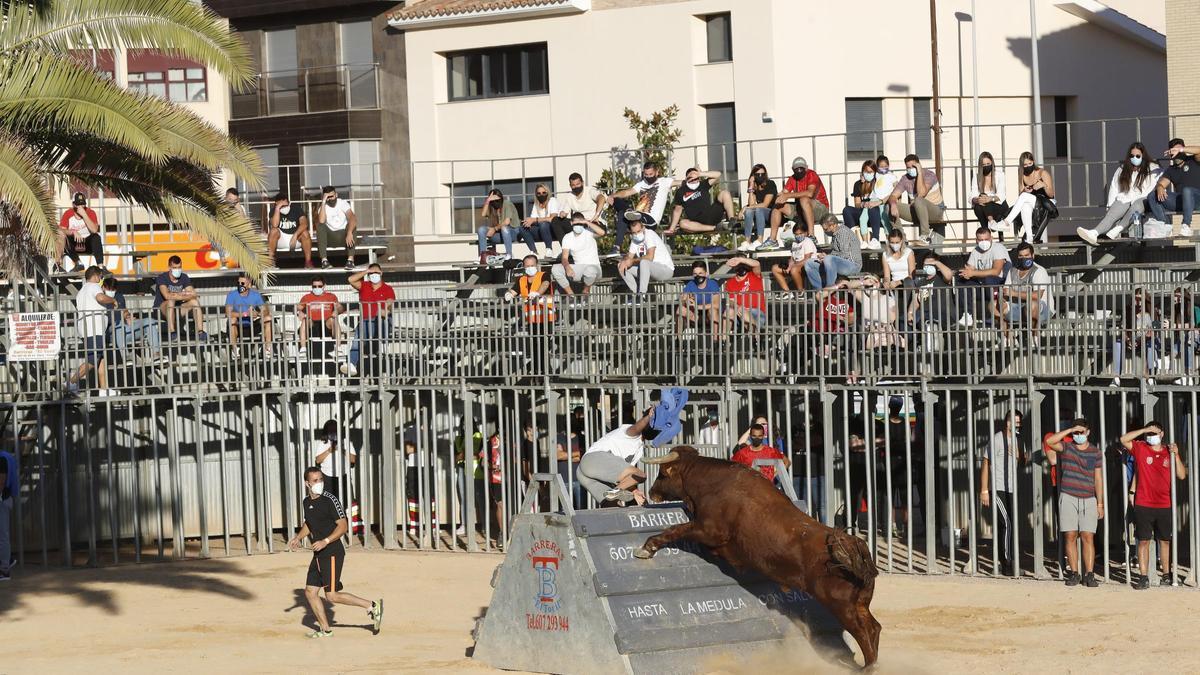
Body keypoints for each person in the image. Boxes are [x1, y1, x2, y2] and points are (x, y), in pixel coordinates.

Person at [288, 466, 383, 638]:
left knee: (331, 596)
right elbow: (309, 524)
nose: (319, 483)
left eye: (321, 479)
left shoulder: (330, 500)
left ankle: (372, 605)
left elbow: (343, 526)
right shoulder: (306, 502)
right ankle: (325, 630)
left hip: (332, 551)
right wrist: (297, 538)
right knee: (310, 592)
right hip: (318, 554)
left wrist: (325, 541)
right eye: (315, 481)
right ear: (307, 483)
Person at [1120, 422, 1188, 589]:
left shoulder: (1169, 451)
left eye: (1154, 433)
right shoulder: (1141, 448)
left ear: (1162, 434)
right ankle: (1143, 577)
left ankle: (1166, 574)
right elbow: (1123, 439)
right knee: (1143, 541)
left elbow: (1181, 475)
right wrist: (1144, 430)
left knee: (1165, 540)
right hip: (1143, 503)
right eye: (1149, 434)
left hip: (1165, 504)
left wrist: (1177, 455)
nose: (1151, 437)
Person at [1044, 419, 1103, 588]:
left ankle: (1089, 574)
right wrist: (1070, 429)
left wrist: (1100, 503)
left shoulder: (1096, 452)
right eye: (1076, 433)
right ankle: (1074, 573)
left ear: (1088, 432)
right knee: (1069, 535)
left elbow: (1098, 478)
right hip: (1068, 496)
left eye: (1081, 432)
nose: (1078, 436)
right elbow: (1050, 442)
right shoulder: (1067, 448)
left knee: (1087, 536)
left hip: (1089, 498)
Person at [1078, 142, 1161, 246]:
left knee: (1137, 205)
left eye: (1138, 156)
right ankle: (1094, 233)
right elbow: (1114, 187)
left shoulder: (1152, 168)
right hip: (1126, 198)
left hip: (1144, 200)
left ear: (1143, 156)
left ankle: (1118, 228)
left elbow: (1157, 182)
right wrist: (1110, 205)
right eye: (1132, 156)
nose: (1134, 158)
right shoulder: (1122, 169)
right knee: (1114, 210)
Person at [980, 411, 1027, 576]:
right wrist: (984, 490)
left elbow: (1023, 462)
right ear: (1007, 422)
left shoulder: (1018, 439)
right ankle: (1008, 562)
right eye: (1014, 422)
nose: (1017, 425)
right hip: (998, 488)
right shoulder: (996, 438)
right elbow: (986, 463)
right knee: (1007, 523)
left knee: (1007, 525)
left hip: (1012, 488)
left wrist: (1020, 455)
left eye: (1019, 422)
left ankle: (1005, 562)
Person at [577, 408, 655, 506]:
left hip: (585, 474)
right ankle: (613, 494)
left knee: (611, 505)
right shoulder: (631, 432)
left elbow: (627, 477)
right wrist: (649, 417)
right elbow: (636, 428)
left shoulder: (639, 449)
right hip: (594, 460)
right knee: (640, 475)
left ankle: (612, 496)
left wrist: (635, 491)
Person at [66, 266, 117, 396]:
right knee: (93, 360)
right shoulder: (94, 287)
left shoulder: (82, 291)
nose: (101, 279)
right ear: (95, 276)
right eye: (100, 277)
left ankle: (104, 389)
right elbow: (100, 298)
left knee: (101, 359)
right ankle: (71, 382)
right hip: (94, 329)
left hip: (88, 329)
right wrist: (112, 300)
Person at [605, 162, 675, 253]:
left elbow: (684, 182)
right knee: (618, 203)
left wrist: (699, 175)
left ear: (657, 172)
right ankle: (617, 247)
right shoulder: (642, 184)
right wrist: (612, 196)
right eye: (646, 175)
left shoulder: (664, 181)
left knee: (625, 214)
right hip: (637, 218)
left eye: (651, 174)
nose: (649, 177)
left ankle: (630, 213)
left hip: (651, 221)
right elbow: (626, 192)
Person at [765, 156, 829, 250]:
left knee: (804, 199)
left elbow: (810, 193)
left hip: (820, 208)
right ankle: (772, 240)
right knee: (778, 206)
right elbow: (784, 192)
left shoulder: (811, 174)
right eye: (796, 169)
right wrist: (779, 196)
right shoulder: (792, 179)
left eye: (801, 168)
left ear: (806, 168)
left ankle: (812, 236)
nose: (799, 170)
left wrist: (787, 196)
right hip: (801, 207)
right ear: (793, 169)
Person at [342, 264, 394, 377]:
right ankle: (351, 363)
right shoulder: (364, 285)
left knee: (362, 331)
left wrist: (384, 309)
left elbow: (390, 303)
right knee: (359, 334)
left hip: (381, 323)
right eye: (371, 273)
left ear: (381, 273)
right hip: (366, 322)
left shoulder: (388, 288)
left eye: (377, 273)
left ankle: (353, 363)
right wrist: (366, 271)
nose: (374, 275)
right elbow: (350, 279)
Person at [998, 242, 1055, 345]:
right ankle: (1008, 338)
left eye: (1026, 255)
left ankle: (1034, 337)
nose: (1024, 258)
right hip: (1019, 308)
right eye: (1021, 256)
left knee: (1031, 304)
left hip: (1042, 309)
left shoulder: (1039, 271)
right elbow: (1006, 292)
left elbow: (1037, 295)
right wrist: (1002, 299)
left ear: (1032, 255)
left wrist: (1014, 293)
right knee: (994, 304)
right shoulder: (1013, 271)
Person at [955, 227, 1010, 328]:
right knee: (961, 279)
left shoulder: (998, 248)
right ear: (976, 240)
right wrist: (966, 273)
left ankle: (995, 311)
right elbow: (970, 269)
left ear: (991, 238)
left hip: (999, 284)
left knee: (989, 279)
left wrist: (972, 273)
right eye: (980, 240)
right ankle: (968, 314)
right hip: (983, 286)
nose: (984, 242)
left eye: (986, 239)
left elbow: (996, 271)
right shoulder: (975, 251)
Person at [1147, 137, 1200, 237]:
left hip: (1197, 199)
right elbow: (1162, 183)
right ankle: (1166, 227)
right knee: (1152, 196)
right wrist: (1160, 187)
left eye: (1179, 150)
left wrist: (1181, 149)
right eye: (1174, 151)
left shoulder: (1194, 160)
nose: (1177, 153)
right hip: (1182, 202)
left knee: (1187, 190)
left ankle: (1186, 226)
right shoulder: (1171, 170)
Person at [104, 275, 163, 365]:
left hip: (126, 330)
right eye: (109, 289)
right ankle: (126, 356)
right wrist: (121, 318)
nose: (111, 292)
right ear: (103, 287)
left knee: (149, 321)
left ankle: (156, 354)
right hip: (112, 332)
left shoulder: (119, 296)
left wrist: (128, 316)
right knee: (119, 325)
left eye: (113, 289)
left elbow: (124, 311)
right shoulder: (100, 299)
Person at [888, 154, 946, 244]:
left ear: (919, 165)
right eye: (908, 167)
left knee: (918, 200)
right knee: (888, 206)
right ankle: (901, 238)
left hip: (936, 211)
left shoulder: (929, 175)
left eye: (913, 166)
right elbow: (893, 196)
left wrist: (919, 173)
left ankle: (925, 236)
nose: (910, 169)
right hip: (917, 211)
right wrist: (893, 205)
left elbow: (921, 193)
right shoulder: (905, 178)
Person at [999, 152, 1055, 243]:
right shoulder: (1022, 174)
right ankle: (1029, 237)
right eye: (1025, 165)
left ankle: (1006, 222)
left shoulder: (1042, 173)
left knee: (1025, 197)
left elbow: (1051, 194)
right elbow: (1020, 196)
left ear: (1033, 162)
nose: (1028, 166)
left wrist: (1043, 185)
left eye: (1030, 163)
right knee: (1025, 205)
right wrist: (1024, 190)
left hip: (1046, 204)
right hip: (1032, 204)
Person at [1110, 286, 1160, 387]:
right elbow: (1123, 328)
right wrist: (1128, 340)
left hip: (1147, 339)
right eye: (1135, 299)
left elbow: (1154, 331)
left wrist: (1141, 339)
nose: (1138, 302)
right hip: (1132, 338)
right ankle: (1116, 378)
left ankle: (1151, 377)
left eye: (1140, 299)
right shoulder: (1128, 309)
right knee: (1118, 343)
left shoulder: (1151, 310)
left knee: (1151, 345)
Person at [664, 167, 734, 235]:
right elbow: (677, 210)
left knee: (725, 193)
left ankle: (732, 221)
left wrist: (700, 173)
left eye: (696, 177)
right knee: (682, 223)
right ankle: (715, 228)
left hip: (711, 215)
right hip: (697, 223)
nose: (695, 179)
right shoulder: (681, 191)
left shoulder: (703, 184)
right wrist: (671, 229)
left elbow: (718, 174)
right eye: (692, 176)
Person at [617, 219, 674, 300]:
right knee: (621, 266)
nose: (636, 234)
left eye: (638, 231)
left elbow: (650, 257)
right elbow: (629, 256)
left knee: (644, 262)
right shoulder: (635, 239)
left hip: (665, 270)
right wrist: (624, 261)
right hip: (648, 271)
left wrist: (632, 261)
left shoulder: (650, 234)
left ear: (643, 228)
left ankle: (642, 295)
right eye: (634, 232)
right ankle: (634, 294)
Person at [154, 255, 207, 342]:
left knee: (194, 302)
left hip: (177, 309)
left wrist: (178, 295)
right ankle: (172, 332)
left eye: (179, 267)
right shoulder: (162, 278)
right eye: (175, 267)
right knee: (171, 301)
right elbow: (167, 296)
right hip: (161, 309)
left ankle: (200, 332)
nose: (177, 270)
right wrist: (183, 294)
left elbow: (193, 294)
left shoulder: (184, 277)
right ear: (169, 267)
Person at [803, 213, 862, 291]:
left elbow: (845, 255)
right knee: (809, 263)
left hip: (853, 265)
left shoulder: (843, 232)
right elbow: (836, 254)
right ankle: (820, 291)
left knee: (828, 259)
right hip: (840, 263)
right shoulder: (835, 234)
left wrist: (827, 257)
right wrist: (825, 256)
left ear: (833, 225)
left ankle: (829, 290)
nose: (824, 231)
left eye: (826, 229)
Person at [551, 214, 605, 296]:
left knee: (590, 271)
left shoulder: (589, 232)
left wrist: (586, 222)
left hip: (594, 267)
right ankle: (571, 295)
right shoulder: (567, 237)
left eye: (580, 224)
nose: (578, 226)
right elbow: (564, 258)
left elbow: (602, 233)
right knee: (555, 269)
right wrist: (567, 267)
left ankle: (585, 292)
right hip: (578, 269)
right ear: (571, 223)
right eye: (576, 224)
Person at [842, 159, 889, 250]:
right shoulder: (858, 184)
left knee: (873, 207)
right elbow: (857, 203)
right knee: (847, 210)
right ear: (862, 172)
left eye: (871, 172)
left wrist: (871, 203)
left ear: (875, 172)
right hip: (863, 213)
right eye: (866, 172)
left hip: (876, 215)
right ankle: (857, 238)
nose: (868, 174)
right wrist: (863, 204)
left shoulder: (878, 183)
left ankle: (875, 239)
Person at [224, 272, 273, 356]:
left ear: (249, 285)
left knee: (268, 318)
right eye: (238, 283)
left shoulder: (255, 295)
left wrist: (257, 313)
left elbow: (265, 310)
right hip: (238, 325)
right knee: (232, 320)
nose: (240, 285)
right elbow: (228, 313)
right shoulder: (232, 295)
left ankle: (267, 348)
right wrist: (245, 314)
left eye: (242, 283)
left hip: (252, 325)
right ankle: (235, 350)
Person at [504, 255, 556, 332]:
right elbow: (514, 290)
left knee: (545, 339)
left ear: (537, 265)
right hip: (532, 316)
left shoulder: (544, 275)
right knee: (534, 339)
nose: (530, 267)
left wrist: (537, 293)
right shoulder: (522, 279)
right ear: (524, 266)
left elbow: (545, 284)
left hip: (546, 314)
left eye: (532, 265)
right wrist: (508, 294)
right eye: (527, 266)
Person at [295, 275, 343, 356]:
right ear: (312, 286)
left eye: (319, 286)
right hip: (312, 323)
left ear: (324, 286)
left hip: (327, 322)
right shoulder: (307, 297)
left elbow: (340, 308)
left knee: (334, 320)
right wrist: (299, 311)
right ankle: (303, 348)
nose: (317, 288)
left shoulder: (331, 296)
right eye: (314, 286)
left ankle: (338, 348)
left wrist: (337, 311)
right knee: (305, 320)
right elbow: (297, 307)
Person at [57, 192, 104, 273]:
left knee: (96, 237)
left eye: (83, 204)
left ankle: (101, 267)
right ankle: (77, 263)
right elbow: (61, 230)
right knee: (62, 236)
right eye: (78, 204)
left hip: (88, 244)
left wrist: (84, 215)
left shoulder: (90, 212)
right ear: (73, 204)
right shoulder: (68, 213)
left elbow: (94, 230)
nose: (81, 207)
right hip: (74, 245)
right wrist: (73, 232)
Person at [477, 188, 525, 265]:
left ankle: (509, 254)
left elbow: (507, 222)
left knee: (504, 228)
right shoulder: (492, 207)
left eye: (497, 200)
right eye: (493, 201)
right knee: (481, 229)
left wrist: (494, 229)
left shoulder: (507, 204)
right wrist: (488, 201)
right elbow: (483, 214)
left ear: (501, 198)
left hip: (513, 233)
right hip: (500, 234)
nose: (495, 202)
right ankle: (482, 255)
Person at [771, 220, 817, 298]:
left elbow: (807, 259)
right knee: (775, 268)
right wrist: (789, 265)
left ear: (806, 233)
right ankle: (787, 292)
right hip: (796, 265)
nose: (798, 236)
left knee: (794, 269)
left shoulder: (807, 241)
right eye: (796, 234)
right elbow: (792, 258)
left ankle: (801, 292)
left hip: (808, 266)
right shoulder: (794, 243)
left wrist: (792, 266)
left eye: (800, 233)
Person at [313, 419, 356, 500]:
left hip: (343, 477)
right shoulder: (323, 443)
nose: (333, 432)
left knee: (346, 502)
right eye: (330, 430)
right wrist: (329, 450)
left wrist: (341, 448)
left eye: (335, 429)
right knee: (328, 503)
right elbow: (318, 460)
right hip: (327, 478)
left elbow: (353, 459)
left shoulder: (346, 442)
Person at [316, 186, 357, 270]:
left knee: (352, 225)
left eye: (332, 196)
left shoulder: (343, 203)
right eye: (328, 197)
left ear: (336, 195)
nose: (331, 199)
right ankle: (324, 261)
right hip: (330, 238)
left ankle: (350, 260)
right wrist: (323, 201)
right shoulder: (322, 207)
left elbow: (352, 217)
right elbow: (321, 220)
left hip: (344, 237)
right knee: (320, 225)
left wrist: (349, 232)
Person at [268, 193, 313, 268]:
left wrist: (295, 236)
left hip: (296, 238)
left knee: (305, 233)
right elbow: (275, 225)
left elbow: (304, 224)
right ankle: (270, 261)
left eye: (286, 204)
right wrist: (277, 208)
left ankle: (308, 262)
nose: (285, 207)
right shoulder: (273, 211)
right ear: (276, 204)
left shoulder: (296, 209)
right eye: (282, 205)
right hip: (281, 240)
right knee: (273, 231)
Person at [723, 256, 766, 333]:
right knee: (729, 311)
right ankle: (723, 341)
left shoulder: (754, 275)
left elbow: (757, 264)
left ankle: (755, 337)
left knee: (742, 311)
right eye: (738, 264)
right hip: (739, 313)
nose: (740, 266)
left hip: (756, 313)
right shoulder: (730, 282)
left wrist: (739, 259)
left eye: (742, 264)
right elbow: (731, 301)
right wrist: (737, 306)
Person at [678, 261, 722, 335]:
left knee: (713, 311)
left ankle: (716, 342)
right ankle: (677, 340)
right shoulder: (691, 284)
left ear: (706, 274)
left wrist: (697, 307)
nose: (698, 276)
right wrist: (686, 300)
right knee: (680, 310)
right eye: (695, 274)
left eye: (700, 273)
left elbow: (716, 304)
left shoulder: (712, 284)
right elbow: (683, 298)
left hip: (709, 315)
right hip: (695, 315)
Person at [739, 163, 777, 250]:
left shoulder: (770, 184)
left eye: (762, 174)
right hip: (759, 215)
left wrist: (745, 207)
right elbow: (752, 205)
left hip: (772, 214)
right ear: (753, 175)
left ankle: (760, 240)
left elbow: (765, 204)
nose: (760, 176)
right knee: (749, 211)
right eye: (757, 174)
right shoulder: (755, 186)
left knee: (758, 209)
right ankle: (747, 241)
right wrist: (751, 185)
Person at [969, 151, 1009, 229]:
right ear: (980, 166)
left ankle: (986, 229)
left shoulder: (1000, 175)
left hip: (999, 206)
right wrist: (977, 200)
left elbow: (1001, 195)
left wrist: (989, 199)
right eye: (983, 165)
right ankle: (991, 224)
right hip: (983, 206)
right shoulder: (977, 177)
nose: (986, 166)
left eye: (988, 164)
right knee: (978, 206)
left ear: (992, 163)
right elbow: (973, 193)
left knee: (985, 199)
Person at [522, 183, 561, 255]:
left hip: (552, 231)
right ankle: (534, 252)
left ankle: (549, 249)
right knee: (523, 228)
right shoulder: (536, 204)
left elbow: (552, 218)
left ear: (547, 193)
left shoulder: (552, 200)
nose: (541, 195)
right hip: (541, 231)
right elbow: (532, 219)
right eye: (539, 193)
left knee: (544, 224)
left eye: (544, 192)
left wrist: (535, 220)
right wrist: (528, 222)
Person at [216, 187, 244, 269]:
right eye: (229, 199)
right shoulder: (220, 208)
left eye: (234, 200)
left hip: (234, 235)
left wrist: (238, 205)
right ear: (225, 198)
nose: (231, 202)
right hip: (222, 235)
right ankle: (223, 261)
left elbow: (244, 223)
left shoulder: (239, 209)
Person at [0, 448, 14, 581]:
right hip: (5, 498)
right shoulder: (6, 456)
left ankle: (5, 570)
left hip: (2, 499)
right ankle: (8, 560)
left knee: (3, 536)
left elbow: (2, 479)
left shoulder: (2, 458)